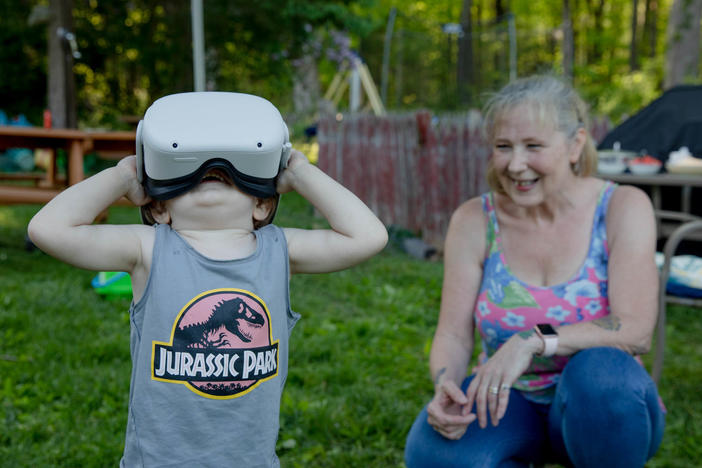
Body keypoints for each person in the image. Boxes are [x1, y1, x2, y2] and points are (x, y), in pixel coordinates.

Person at [27, 92, 388, 467]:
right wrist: (124, 174)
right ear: (160, 207)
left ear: (262, 204)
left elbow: (368, 237)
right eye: (192, 170)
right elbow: (47, 229)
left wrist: (300, 171)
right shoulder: (148, 249)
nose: (212, 171)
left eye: (233, 172)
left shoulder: (279, 249)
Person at [404, 75, 665, 467]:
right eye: (503, 147)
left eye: (533, 146)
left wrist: (533, 339)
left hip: (606, 411)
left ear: (575, 145)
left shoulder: (621, 207)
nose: (515, 164)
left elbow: (635, 329)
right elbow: (455, 334)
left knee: (601, 374)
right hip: (508, 399)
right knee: (433, 456)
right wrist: (447, 384)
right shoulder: (475, 219)